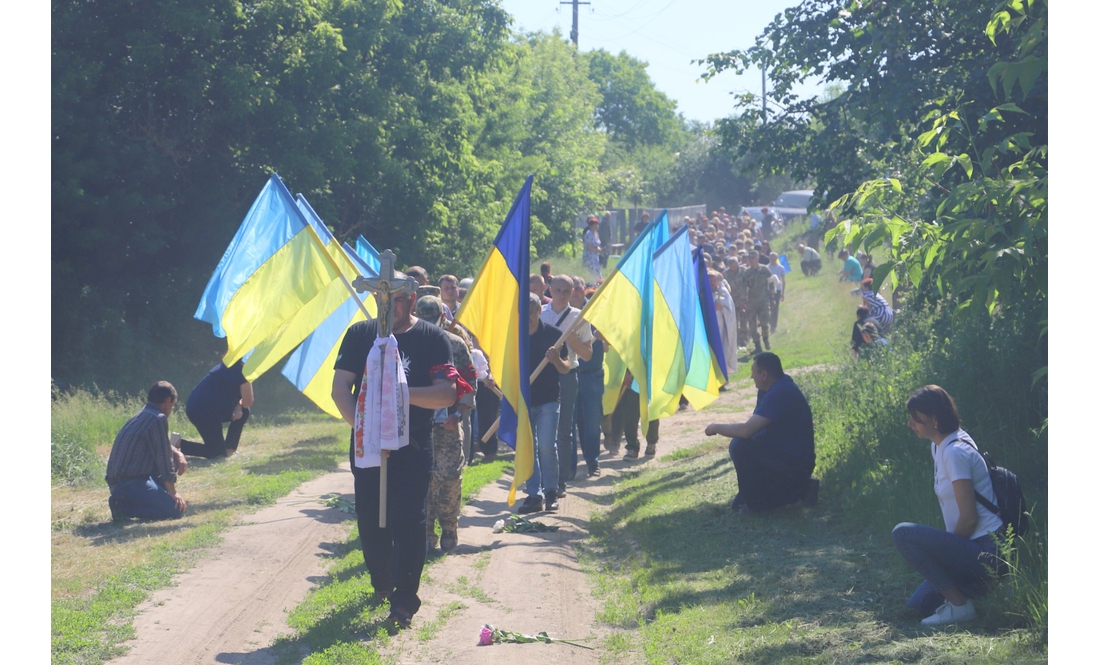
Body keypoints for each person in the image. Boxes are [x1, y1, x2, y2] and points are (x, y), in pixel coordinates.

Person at [331, 284, 460, 629]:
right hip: (367, 445)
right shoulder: (359, 334)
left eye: (400, 298)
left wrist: (399, 396)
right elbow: (341, 387)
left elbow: (446, 393)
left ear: (412, 300)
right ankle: (382, 582)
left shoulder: (432, 338)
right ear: (376, 298)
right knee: (371, 519)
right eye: (385, 298)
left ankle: (404, 600)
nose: (392, 305)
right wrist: (366, 426)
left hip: (412, 444)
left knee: (409, 521)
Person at [892, 385, 1004, 626]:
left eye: (915, 418)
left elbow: (969, 519)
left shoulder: (955, 452)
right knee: (919, 605)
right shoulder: (939, 445)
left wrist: (945, 553)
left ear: (934, 419)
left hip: (986, 548)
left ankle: (960, 606)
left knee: (903, 533)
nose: (910, 424)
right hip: (969, 547)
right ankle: (985, 586)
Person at [704, 353, 817, 514]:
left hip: (795, 462)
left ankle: (793, 492)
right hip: (782, 455)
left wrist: (715, 427)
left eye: (753, 372)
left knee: (740, 446)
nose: (751, 377)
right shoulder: (769, 389)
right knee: (739, 503)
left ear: (764, 374)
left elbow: (747, 431)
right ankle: (798, 490)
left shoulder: (780, 392)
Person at [416, 296, 476, 553]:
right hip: (418, 426)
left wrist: (459, 414)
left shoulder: (455, 344)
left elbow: (470, 384)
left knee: (450, 478)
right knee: (423, 479)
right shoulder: (408, 343)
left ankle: (449, 527)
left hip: (448, 425)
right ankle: (426, 533)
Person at [518, 293, 571, 514]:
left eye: (531, 312)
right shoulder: (516, 337)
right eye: (524, 312)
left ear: (539, 311)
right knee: (528, 448)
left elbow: (566, 368)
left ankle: (551, 491)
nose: (528, 317)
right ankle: (534, 495)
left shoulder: (554, 336)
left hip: (549, 399)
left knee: (546, 445)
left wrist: (556, 359)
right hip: (524, 400)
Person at [105, 381, 189, 521]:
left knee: (168, 501)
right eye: (173, 405)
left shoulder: (143, 415)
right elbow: (163, 456)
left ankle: (127, 502)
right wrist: (173, 492)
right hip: (129, 484)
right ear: (167, 401)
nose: (171, 409)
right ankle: (123, 508)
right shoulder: (158, 418)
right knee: (175, 511)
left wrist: (178, 453)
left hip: (118, 482)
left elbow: (162, 444)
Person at [542, 275, 594, 492]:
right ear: (550, 290)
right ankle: (544, 478)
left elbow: (588, 355)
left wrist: (573, 341)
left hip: (567, 376)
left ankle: (561, 480)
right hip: (542, 376)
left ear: (573, 292)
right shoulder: (539, 314)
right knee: (542, 431)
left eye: (566, 291)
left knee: (564, 430)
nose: (562, 295)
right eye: (558, 290)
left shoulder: (579, 317)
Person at [178, 360, 253, 459]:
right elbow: (248, 401)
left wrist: (238, 407)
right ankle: (177, 445)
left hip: (208, 410)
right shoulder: (242, 371)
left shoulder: (228, 365)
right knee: (217, 454)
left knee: (244, 411)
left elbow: (243, 403)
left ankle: (229, 449)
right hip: (203, 412)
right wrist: (249, 380)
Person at [709, 269, 739, 380]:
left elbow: (730, 311)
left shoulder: (723, 292)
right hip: (709, 329)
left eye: (713, 280)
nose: (712, 283)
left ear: (717, 281)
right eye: (709, 281)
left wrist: (721, 309)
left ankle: (723, 378)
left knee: (723, 351)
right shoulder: (704, 293)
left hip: (722, 330)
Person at [743, 250, 772, 354]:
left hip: (763, 300)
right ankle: (757, 345)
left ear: (757, 258)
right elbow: (744, 287)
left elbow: (771, 283)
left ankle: (766, 339)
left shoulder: (765, 269)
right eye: (749, 258)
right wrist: (744, 301)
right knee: (752, 325)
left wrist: (772, 296)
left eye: (753, 258)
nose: (751, 260)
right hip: (751, 302)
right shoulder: (747, 272)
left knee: (764, 322)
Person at [768, 251, 785, 334]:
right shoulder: (767, 268)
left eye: (774, 259)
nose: (773, 260)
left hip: (777, 289)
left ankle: (773, 325)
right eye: (771, 259)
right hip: (768, 290)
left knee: (775, 308)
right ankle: (770, 323)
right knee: (769, 308)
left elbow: (783, 281)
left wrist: (782, 293)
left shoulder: (781, 268)